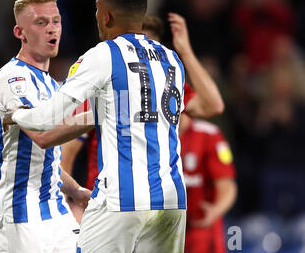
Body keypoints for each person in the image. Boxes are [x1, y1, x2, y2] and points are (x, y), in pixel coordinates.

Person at [6, 0, 192, 253]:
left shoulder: (103, 54)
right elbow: (125, 115)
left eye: (97, 11)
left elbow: (45, 118)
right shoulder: (172, 60)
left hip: (122, 200)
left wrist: (14, 114)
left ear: (106, 15)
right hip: (172, 200)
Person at [62, 12, 225, 221]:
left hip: (158, 208)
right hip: (110, 209)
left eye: (150, 47)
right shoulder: (102, 86)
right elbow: (68, 149)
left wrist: (186, 52)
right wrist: (67, 205)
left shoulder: (168, 84)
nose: (144, 54)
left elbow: (212, 106)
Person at [0, 0, 92, 253]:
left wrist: (75, 191)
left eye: (56, 21)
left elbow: (47, 159)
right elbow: (42, 137)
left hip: (55, 210)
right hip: (18, 212)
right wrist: (98, 115)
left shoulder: (52, 85)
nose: (52, 28)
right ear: (20, 32)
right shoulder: (12, 79)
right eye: (41, 23)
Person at [180, 113, 237, 253]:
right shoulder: (151, 134)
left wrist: (215, 210)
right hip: (164, 232)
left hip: (201, 232)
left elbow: (228, 186)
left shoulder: (208, 134)